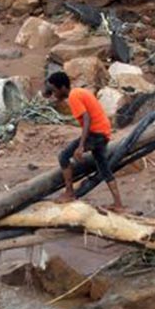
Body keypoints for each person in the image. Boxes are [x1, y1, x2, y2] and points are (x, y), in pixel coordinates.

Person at [44, 71, 125, 211]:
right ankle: (118, 204)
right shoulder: (78, 92)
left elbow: (87, 118)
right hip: (104, 131)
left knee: (63, 156)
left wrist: (81, 146)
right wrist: (50, 95)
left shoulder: (74, 97)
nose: (54, 94)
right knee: (104, 167)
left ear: (63, 88)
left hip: (96, 133)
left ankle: (69, 193)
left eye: (54, 90)